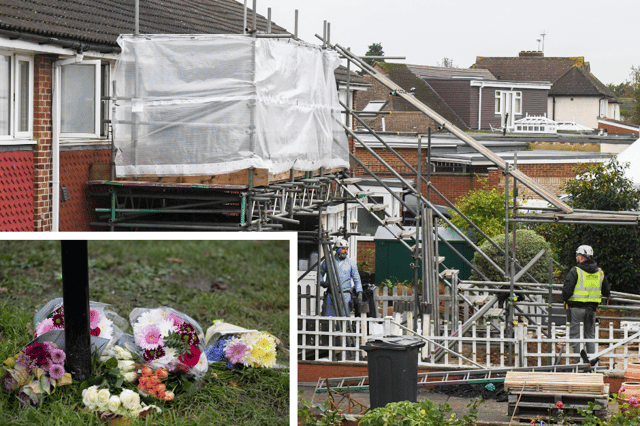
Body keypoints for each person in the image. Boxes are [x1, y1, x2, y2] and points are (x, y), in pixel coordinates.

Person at [562, 245, 610, 363]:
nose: (576, 257)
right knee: (590, 335)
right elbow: (606, 292)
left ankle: (581, 361)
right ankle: (592, 359)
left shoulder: (576, 271)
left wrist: (564, 299)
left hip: (576, 309)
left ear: (582, 257)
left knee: (576, 335)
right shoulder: (600, 272)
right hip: (591, 309)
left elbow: (567, 289)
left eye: (578, 255)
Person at [321, 238, 363, 317]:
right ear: (337, 249)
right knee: (327, 318)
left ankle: (343, 329)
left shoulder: (351, 263)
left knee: (344, 318)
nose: (345, 251)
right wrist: (322, 282)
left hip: (345, 294)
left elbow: (357, 279)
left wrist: (359, 292)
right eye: (343, 249)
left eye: (346, 249)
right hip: (331, 294)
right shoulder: (329, 261)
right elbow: (320, 272)